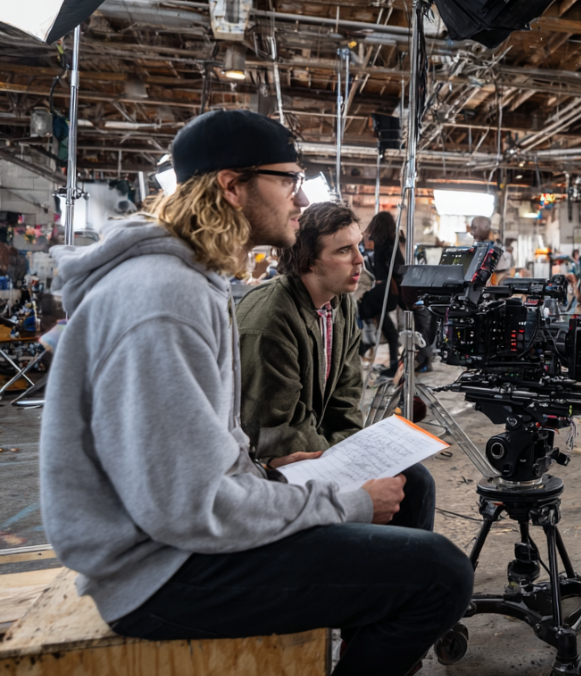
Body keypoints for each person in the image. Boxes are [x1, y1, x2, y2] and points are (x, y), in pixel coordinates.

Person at [40, 109, 473, 676]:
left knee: (410, 486)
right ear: (232, 186)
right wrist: (347, 501)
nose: (299, 198)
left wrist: (264, 472)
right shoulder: (165, 298)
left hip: (174, 535)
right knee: (440, 574)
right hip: (158, 572)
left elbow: (190, 467)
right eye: (288, 180)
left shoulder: (189, 281)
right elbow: (189, 509)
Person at [237, 202, 435, 532]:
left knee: (415, 479)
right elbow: (274, 428)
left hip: (317, 446)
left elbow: (347, 393)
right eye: (344, 250)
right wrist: (344, 465)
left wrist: (351, 450)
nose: (359, 260)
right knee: (405, 490)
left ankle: (396, 574)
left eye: (358, 246)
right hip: (273, 460)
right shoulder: (269, 321)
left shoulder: (339, 301)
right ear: (308, 260)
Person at [361, 212, 436, 377]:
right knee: (417, 323)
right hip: (394, 288)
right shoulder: (389, 243)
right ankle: (417, 361)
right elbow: (398, 267)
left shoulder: (370, 243)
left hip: (385, 288)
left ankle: (392, 359)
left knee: (391, 325)